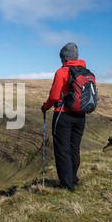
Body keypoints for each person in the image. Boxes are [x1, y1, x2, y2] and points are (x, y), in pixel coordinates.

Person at [41, 42, 87, 192]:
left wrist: (45, 107)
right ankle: (73, 179)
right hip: (81, 116)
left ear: (63, 59)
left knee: (62, 149)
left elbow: (54, 96)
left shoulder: (62, 72)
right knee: (74, 148)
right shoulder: (86, 72)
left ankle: (66, 185)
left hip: (63, 115)